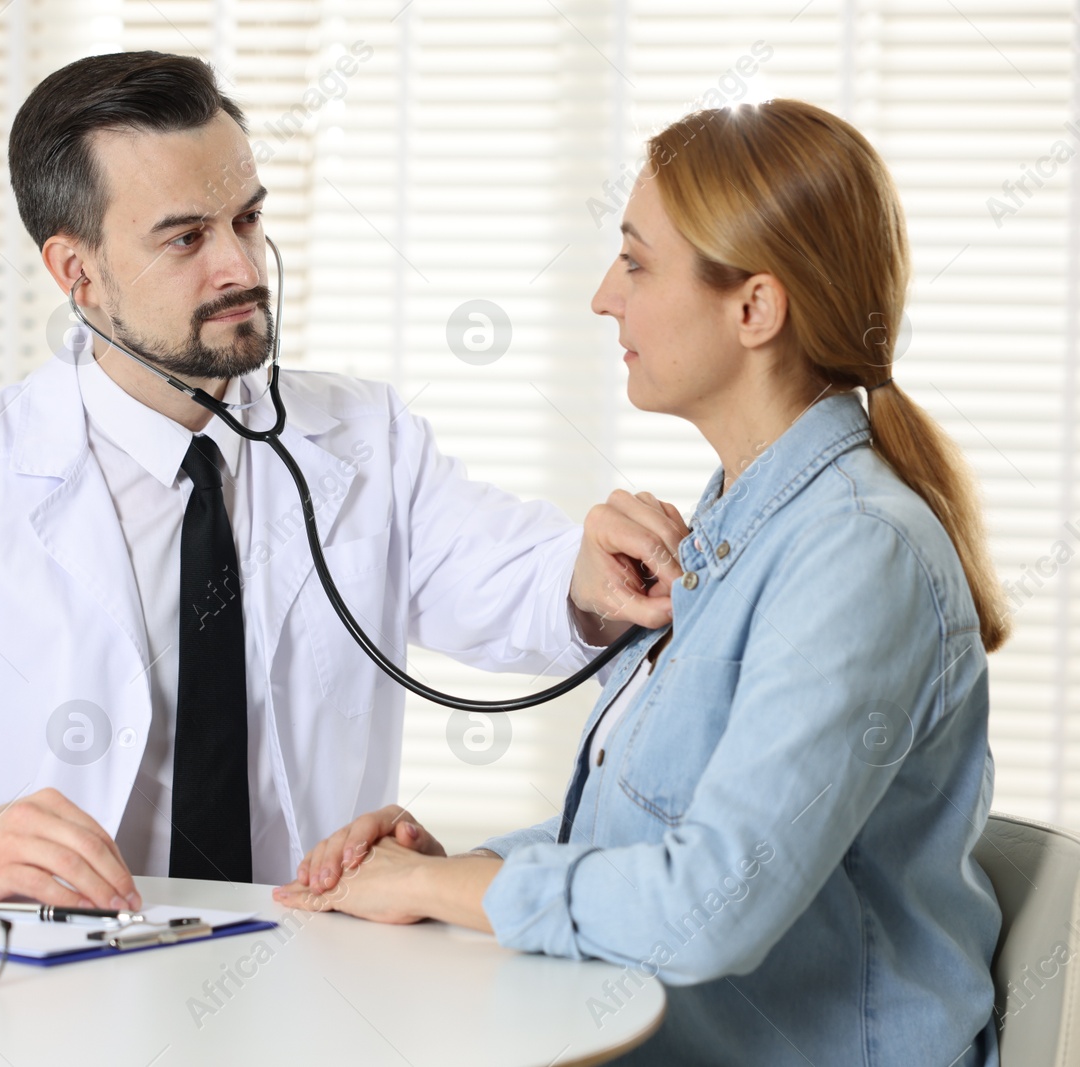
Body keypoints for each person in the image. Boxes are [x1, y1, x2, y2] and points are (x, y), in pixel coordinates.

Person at [0, 51, 683, 907]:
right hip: (42, 991)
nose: (239, 265)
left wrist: (588, 575)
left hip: (303, 966)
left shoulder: (364, 437)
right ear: (74, 273)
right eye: (185, 237)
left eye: (247, 218)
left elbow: (512, 573)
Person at [275, 99, 1007, 1066]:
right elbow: (644, 835)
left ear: (754, 308)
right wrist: (463, 866)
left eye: (636, 261)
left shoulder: (857, 553)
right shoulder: (747, 522)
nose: (602, 297)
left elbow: (708, 903)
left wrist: (435, 894)